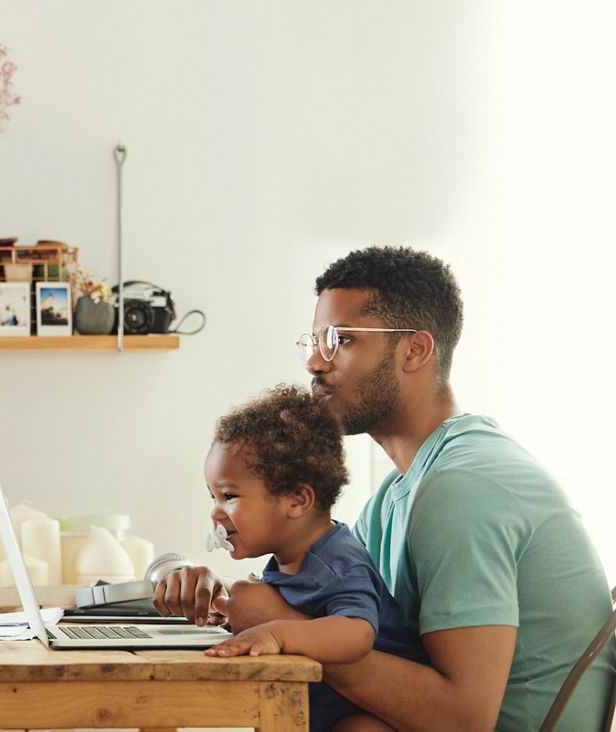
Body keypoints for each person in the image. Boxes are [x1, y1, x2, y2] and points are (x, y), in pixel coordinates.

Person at [153, 246, 615, 730]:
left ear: (414, 350)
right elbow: (347, 618)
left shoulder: (465, 486)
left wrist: (285, 626)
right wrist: (225, 598)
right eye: (314, 341)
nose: (314, 361)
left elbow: (463, 719)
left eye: (341, 340)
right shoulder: (395, 496)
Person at [199, 384, 424, 732]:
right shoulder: (289, 558)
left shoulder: (337, 561)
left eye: (229, 495)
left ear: (297, 500)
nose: (216, 512)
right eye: (212, 496)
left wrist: (276, 632)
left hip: (380, 717)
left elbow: (357, 633)